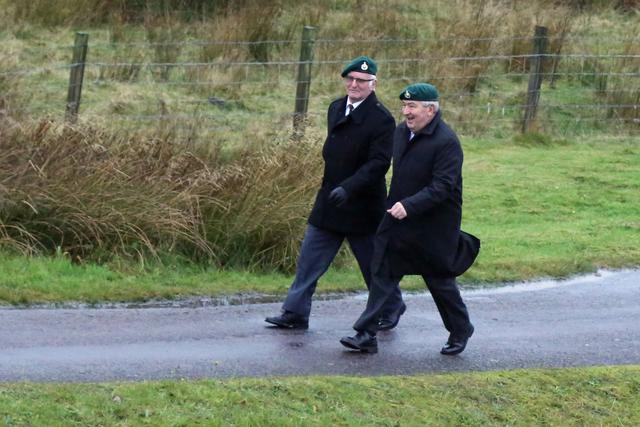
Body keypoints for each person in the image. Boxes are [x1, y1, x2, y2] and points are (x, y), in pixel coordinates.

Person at [265, 56, 405, 330]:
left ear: (373, 84)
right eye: (350, 79)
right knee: (309, 259)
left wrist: (349, 188)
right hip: (330, 199)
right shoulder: (336, 108)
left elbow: (378, 163)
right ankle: (295, 312)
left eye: (361, 81)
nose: (354, 84)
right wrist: (335, 188)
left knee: (372, 265)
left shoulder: (382, 119)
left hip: (363, 204)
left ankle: (391, 306)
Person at [340, 83, 480, 355]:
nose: (406, 112)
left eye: (412, 106)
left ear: (430, 109)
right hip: (398, 220)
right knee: (382, 275)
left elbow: (443, 186)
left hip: (433, 228)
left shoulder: (447, 142)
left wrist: (410, 205)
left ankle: (461, 328)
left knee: (440, 282)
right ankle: (366, 334)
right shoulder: (401, 132)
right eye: (404, 106)